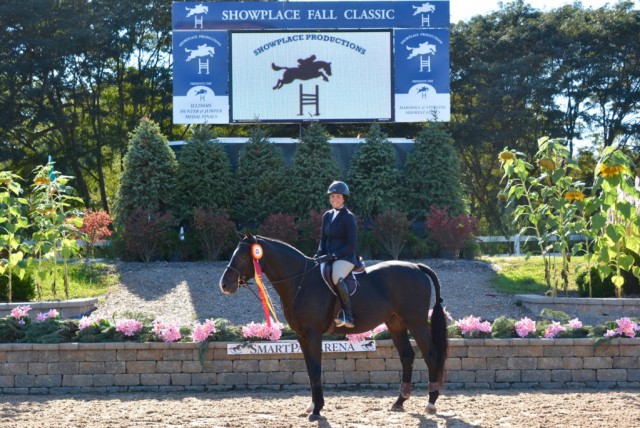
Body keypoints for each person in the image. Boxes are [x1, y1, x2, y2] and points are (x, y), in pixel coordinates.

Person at [314, 180, 358, 328]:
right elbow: (324, 239)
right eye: (332, 196)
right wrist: (319, 254)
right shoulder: (327, 215)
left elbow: (351, 245)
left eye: (338, 197)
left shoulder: (349, 217)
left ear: (344, 198)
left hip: (345, 257)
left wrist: (333, 255)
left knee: (335, 276)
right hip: (328, 256)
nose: (335, 199)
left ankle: (348, 315)